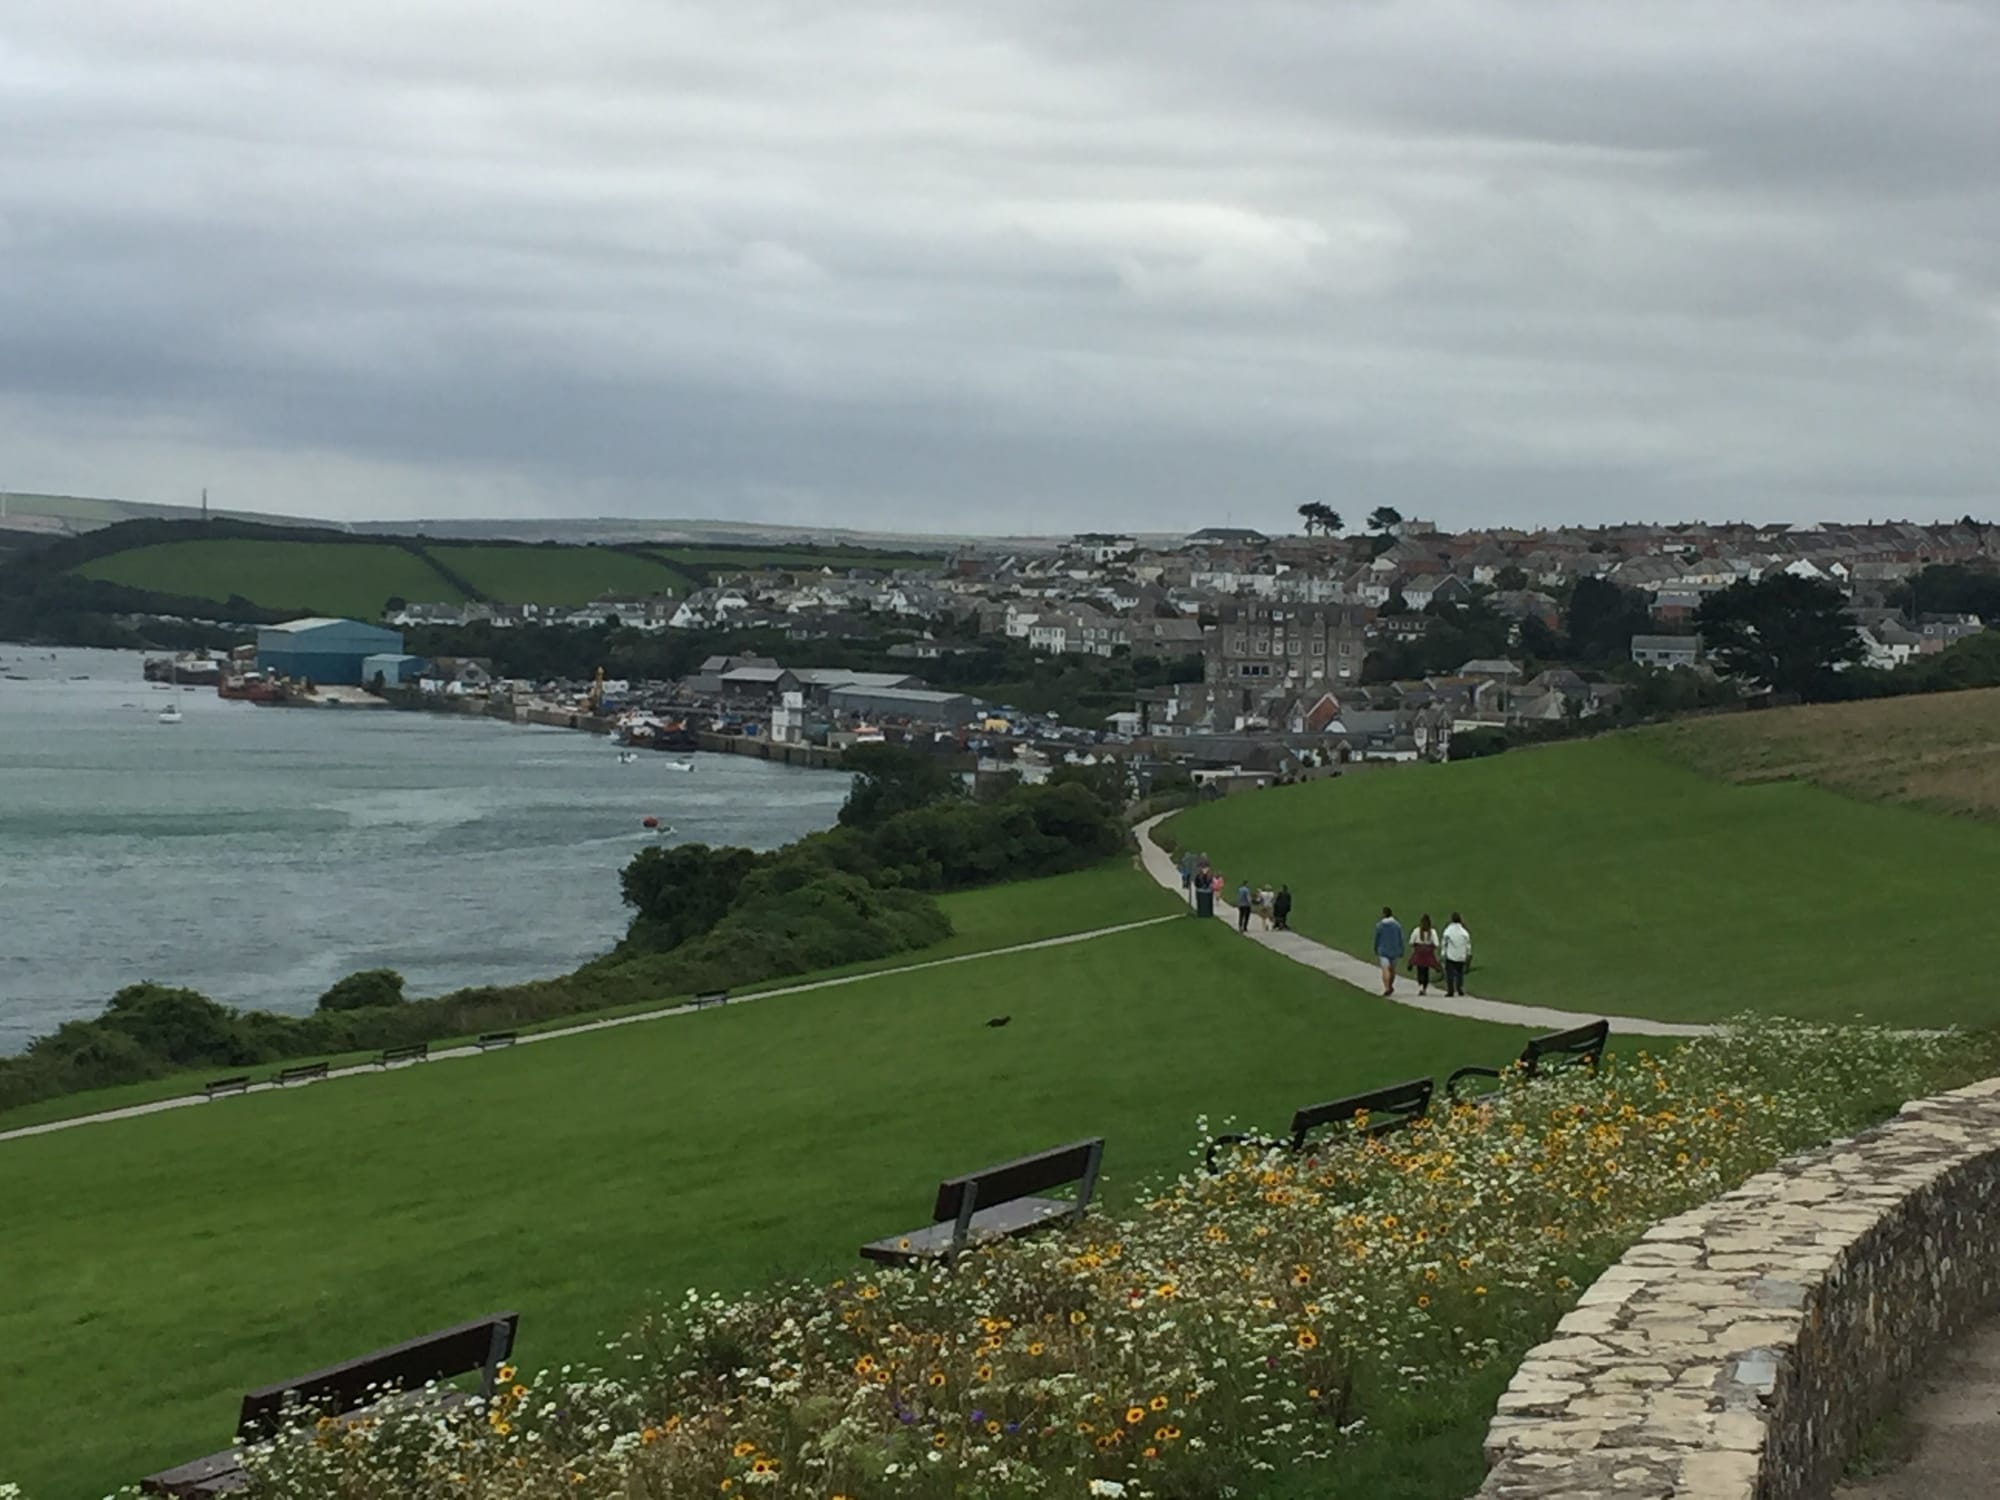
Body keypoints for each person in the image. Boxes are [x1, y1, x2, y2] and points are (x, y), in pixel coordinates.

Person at [1372, 906, 1404, 996]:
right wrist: (1401, 949)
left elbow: (1376, 939)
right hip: (1394, 950)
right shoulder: (1397, 925)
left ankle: (1386, 987)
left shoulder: (1379, 926)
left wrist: (1375, 948)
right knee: (1392, 970)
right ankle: (1390, 985)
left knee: (1385, 969)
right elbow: (1400, 938)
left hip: (1383, 951)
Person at [1440, 912, 1473, 997]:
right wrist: (1468, 954)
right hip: (1461, 956)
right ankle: (1459, 988)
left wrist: (1443, 954)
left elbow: (1444, 943)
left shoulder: (1448, 930)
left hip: (1451, 955)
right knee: (1460, 973)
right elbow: (1468, 945)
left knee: (1450, 974)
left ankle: (1450, 990)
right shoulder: (1464, 932)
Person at [1409, 913, 1441, 997]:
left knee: (1420, 970)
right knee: (1426, 971)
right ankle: (1424, 988)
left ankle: (1420, 986)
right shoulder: (1432, 932)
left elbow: (1411, 942)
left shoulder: (1416, 930)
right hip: (1428, 954)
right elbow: (1436, 944)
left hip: (1419, 953)